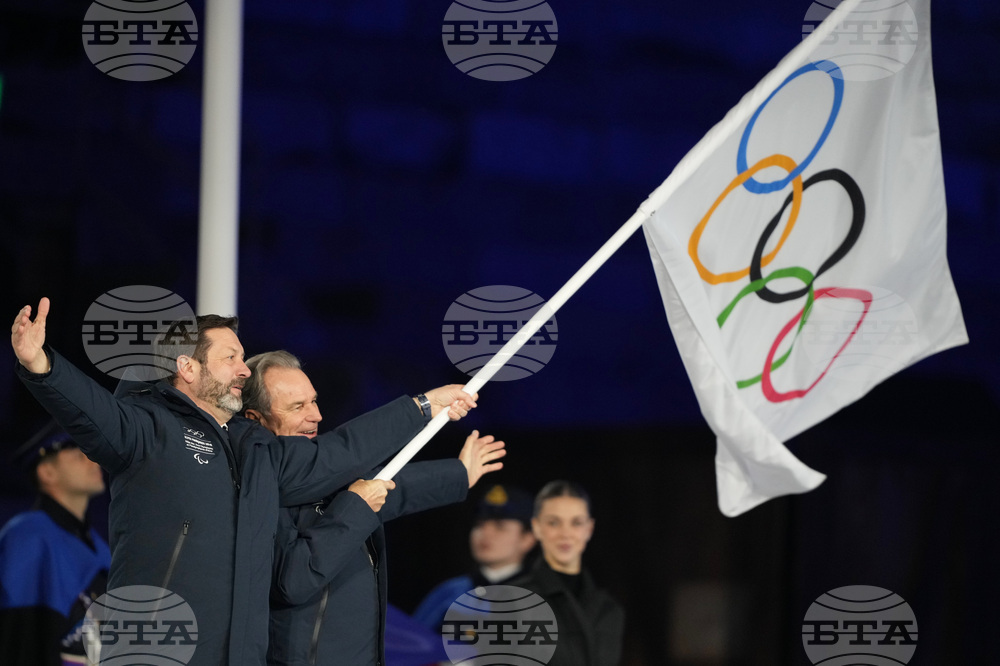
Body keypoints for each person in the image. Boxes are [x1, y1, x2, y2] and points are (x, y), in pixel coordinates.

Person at [10, 297, 477, 665]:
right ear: (187, 367)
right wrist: (41, 364)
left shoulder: (257, 449)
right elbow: (92, 411)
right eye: (230, 356)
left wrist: (422, 407)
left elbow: (341, 455)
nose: (243, 368)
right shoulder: (148, 429)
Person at [240, 350, 506, 666]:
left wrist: (458, 474)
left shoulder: (315, 478)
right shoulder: (254, 481)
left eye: (314, 401)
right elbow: (293, 581)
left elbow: (386, 486)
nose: (316, 415)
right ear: (254, 420)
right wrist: (423, 406)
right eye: (298, 406)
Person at [0, 426, 110, 666]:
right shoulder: (27, 535)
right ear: (47, 472)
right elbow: (17, 637)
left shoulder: (101, 548)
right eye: (79, 455)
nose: (93, 461)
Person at [522, 480, 624, 666]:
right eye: (554, 523)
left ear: (589, 529)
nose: (565, 533)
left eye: (576, 523)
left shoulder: (609, 609)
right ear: (537, 527)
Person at [412, 483, 537, 631]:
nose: (486, 534)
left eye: (500, 527)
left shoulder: (540, 596)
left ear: (527, 539)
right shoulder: (451, 591)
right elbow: (412, 639)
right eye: (479, 525)